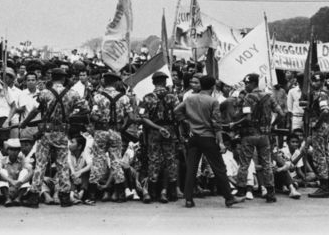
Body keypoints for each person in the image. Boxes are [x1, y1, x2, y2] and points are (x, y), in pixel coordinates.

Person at [19, 68, 89, 208]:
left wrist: (25, 122)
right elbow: (86, 108)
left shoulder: (45, 93)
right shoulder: (72, 94)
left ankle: (34, 196)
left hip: (46, 133)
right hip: (62, 132)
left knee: (41, 164)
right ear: (63, 79)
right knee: (62, 164)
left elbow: (36, 110)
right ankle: (64, 197)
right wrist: (69, 116)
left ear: (52, 78)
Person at [174, 75, 245, 208]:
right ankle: (229, 198)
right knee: (219, 169)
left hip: (194, 137)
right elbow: (216, 124)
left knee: (192, 169)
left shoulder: (190, 98)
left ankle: (188, 199)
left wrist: (186, 121)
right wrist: (221, 142)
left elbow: (176, 110)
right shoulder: (213, 101)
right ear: (213, 87)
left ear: (200, 85)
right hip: (208, 138)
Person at [231, 73, 284, 203]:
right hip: (264, 135)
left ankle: (241, 190)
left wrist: (235, 124)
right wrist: (271, 125)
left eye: (247, 83)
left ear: (253, 83)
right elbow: (281, 114)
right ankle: (271, 192)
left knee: (244, 164)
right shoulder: (269, 96)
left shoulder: (249, 98)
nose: (246, 86)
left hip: (249, 135)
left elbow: (247, 117)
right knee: (266, 163)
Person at [87, 77, 135, 204]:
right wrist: (123, 127)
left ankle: (91, 194)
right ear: (116, 83)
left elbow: (93, 115)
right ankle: (120, 194)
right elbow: (131, 117)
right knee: (116, 160)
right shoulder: (124, 97)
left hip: (101, 131)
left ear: (104, 82)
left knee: (98, 160)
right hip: (116, 131)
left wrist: (100, 120)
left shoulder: (98, 97)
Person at [138, 71, 180, 203]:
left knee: (154, 160)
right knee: (171, 160)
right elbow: (178, 115)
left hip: (154, 131)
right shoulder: (173, 97)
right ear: (165, 82)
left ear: (153, 82)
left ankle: (153, 192)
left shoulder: (146, 98)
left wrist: (157, 128)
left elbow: (143, 118)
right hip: (170, 130)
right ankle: (171, 192)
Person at [303, 73, 329, 198]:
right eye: (313, 81)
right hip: (324, 126)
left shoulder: (321, 94)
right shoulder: (321, 94)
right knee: (325, 155)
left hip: (320, 127)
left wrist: (317, 124)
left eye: (317, 81)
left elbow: (325, 111)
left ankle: (324, 187)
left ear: (322, 82)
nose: (314, 83)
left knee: (319, 156)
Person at [0, 138, 32, 207]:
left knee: (25, 171)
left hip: (18, 187)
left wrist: (21, 182)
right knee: (2, 171)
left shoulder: (22, 160)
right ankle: (7, 199)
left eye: (16, 150)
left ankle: (18, 199)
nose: (14, 152)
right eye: (12, 149)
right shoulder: (2, 160)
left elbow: (31, 171)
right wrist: (10, 181)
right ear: (8, 150)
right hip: (6, 188)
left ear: (19, 151)